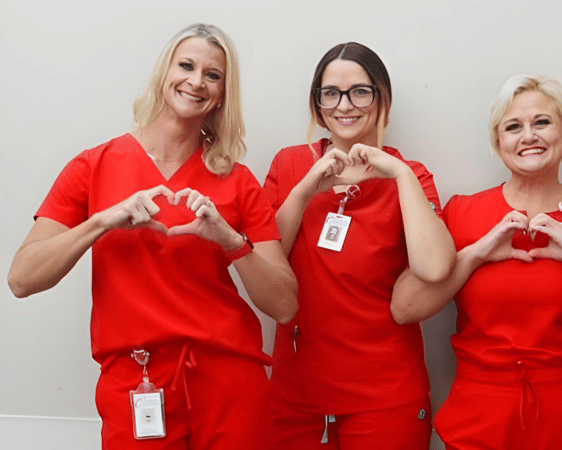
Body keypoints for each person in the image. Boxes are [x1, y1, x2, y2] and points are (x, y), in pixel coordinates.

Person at [7, 24, 297, 449]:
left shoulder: (237, 181)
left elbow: (285, 305)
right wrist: (102, 221)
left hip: (229, 378)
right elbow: (22, 279)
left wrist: (231, 240)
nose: (196, 81)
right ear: (165, 72)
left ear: (222, 92)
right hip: (135, 380)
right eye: (187, 65)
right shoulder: (94, 166)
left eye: (212, 75)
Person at [392, 75, 562, 449]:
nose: (528, 136)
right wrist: (476, 253)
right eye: (513, 127)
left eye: (542, 123)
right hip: (480, 418)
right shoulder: (463, 213)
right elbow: (405, 307)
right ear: (498, 142)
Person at [263, 42, 455, 450]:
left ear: (382, 98)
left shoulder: (411, 175)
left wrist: (399, 174)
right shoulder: (289, 164)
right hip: (298, 389)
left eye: (360, 91)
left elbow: (436, 267)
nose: (344, 105)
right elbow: (265, 262)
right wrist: (303, 191)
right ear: (317, 104)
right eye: (329, 93)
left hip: (384, 393)